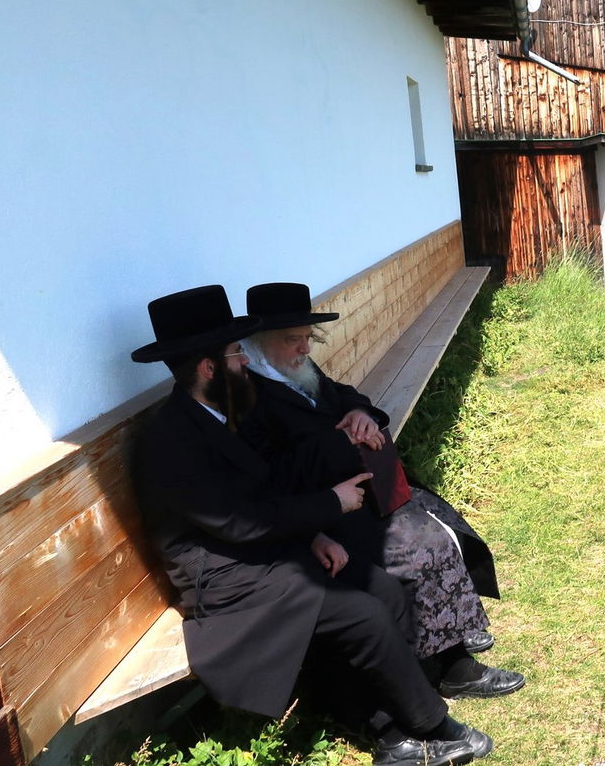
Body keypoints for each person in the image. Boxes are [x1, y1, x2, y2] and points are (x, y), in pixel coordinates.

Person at [129, 285, 493, 766]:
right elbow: (238, 522)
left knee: (381, 588)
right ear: (208, 367)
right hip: (224, 577)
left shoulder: (216, 409)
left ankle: (387, 721)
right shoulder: (169, 439)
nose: (245, 361)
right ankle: (429, 726)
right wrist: (329, 506)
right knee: (359, 613)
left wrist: (313, 534)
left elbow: (258, 499)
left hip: (263, 548)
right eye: (238, 352)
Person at [237, 282, 523, 700]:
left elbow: (345, 396)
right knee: (418, 543)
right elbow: (274, 474)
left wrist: (360, 414)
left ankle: (452, 635)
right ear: (261, 342)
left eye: (306, 338)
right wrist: (343, 443)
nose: (304, 349)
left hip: (360, 488)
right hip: (321, 509)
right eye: (291, 339)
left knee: (439, 521)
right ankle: (454, 667)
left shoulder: (296, 370)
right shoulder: (249, 393)